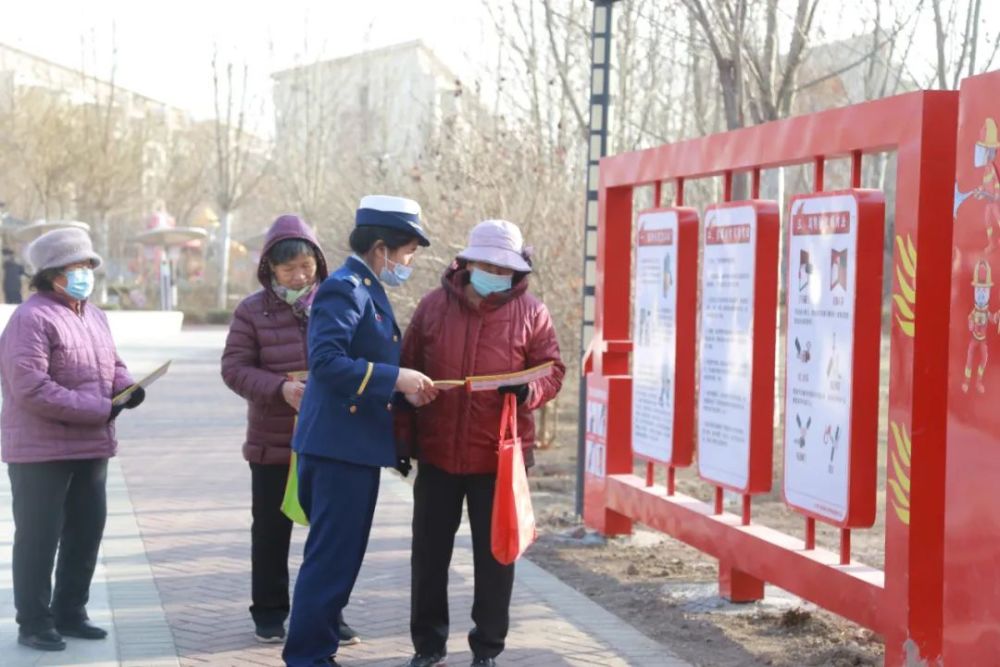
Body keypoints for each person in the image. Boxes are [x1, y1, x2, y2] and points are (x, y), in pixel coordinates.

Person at [397, 219, 565, 667]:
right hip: (438, 454)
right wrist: (402, 437)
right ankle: (428, 646)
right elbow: (405, 368)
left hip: (500, 459)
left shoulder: (533, 313)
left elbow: (552, 370)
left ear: (515, 270)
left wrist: (529, 392)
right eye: (486, 264)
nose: (494, 273)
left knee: (497, 559)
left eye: (503, 267)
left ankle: (487, 648)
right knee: (429, 556)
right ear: (467, 264)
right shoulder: (433, 307)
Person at [282, 195, 434, 667]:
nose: (408, 263)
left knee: (340, 559)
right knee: (330, 561)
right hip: (337, 449)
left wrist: (399, 388)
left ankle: (317, 650)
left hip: (354, 447)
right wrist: (395, 379)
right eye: (408, 253)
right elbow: (327, 363)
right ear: (382, 247)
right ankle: (308, 656)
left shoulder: (366, 287)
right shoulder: (345, 288)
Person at [0, 228, 145, 652]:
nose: (84, 274)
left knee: (86, 532)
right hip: (39, 450)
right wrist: (99, 408)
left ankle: (71, 611)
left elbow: (111, 364)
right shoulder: (31, 318)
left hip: (91, 445)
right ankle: (34, 621)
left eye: (87, 266)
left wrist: (127, 388)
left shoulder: (93, 314)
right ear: (50, 275)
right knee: (39, 537)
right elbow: (31, 387)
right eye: (75, 267)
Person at [221, 214, 360, 646]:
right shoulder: (252, 311)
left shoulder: (339, 301)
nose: (300, 276)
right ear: (270, 270)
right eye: (288, 269)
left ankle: (326, 614)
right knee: (270, 530)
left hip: (329, 438)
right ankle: (269, 611)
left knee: (330, 535)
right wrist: (280, 389)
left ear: (318, 261)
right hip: (274, 440)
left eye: (306, 266)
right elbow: (234, 369)